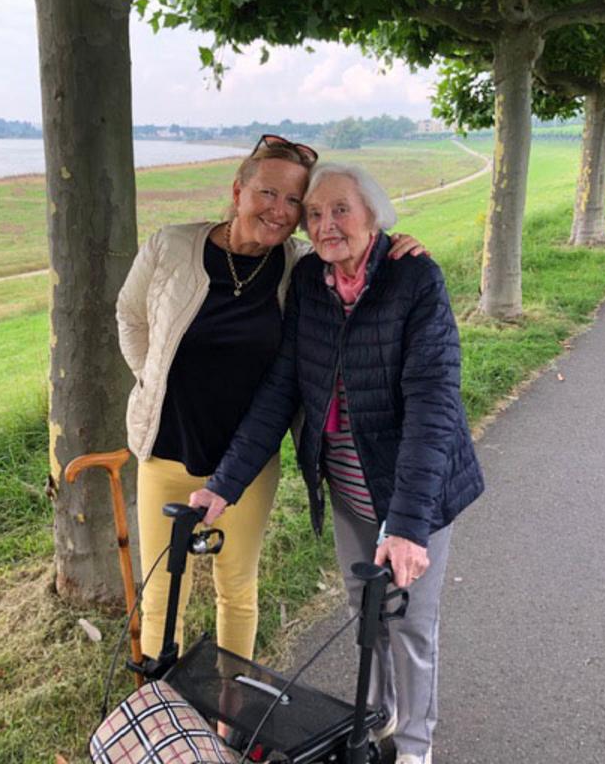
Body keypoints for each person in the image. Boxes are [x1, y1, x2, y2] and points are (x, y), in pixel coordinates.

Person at [190, 162, 485, 764]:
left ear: (374, 216)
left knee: (409, 620)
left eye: (341, 210)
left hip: (414, 492)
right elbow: (282, 388)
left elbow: (434, 403)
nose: (326, 225)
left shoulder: (414, 278)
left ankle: (414, 746)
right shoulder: (308, 282)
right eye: (316, 213)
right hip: (349, 487)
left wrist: (406, 525)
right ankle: (373, 717)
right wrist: (224, 485)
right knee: (363, 609)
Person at [116, 138, 424, 662]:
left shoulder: (299, 267)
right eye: (266, 193)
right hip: (165, 451)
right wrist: (153, 378)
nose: (279, 211)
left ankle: (229, 716)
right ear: (239, 191)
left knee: (236, 589)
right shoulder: (170, 246)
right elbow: (130, 316)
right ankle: (162, 706)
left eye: (293, 203)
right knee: (162, 587)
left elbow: (351, 245)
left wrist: (397, 248)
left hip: (247, 461)